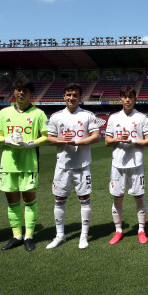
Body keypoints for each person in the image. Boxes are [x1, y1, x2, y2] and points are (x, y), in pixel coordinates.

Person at [0, 78, 48, 252]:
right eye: (18, 89)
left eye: (24, 90)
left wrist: (31, 143)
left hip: (29, 163)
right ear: (14, 92)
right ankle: (16, 236)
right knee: (12, 201)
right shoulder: (3, 113)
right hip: (8, 164)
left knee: (29, 200)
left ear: (30, 93)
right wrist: (7, 139)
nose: (21, 92)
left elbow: (46, 136)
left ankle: (29, 236)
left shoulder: (38, 113)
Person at [46, 83, 101, 250]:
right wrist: (63, 140)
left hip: (82, 164)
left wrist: (75, 142)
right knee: (59, 199)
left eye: (75, 95)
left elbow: (96, 137)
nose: (71, 98)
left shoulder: (88, 115)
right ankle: (60, 235)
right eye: (69, 94)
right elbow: (49, 138)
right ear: (64, 96)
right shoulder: (56, 116)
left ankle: (84, 236)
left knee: (84, 199)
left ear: (80, 97)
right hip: (62, 165)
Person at [105, 86, 148, 245]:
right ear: (120, 99)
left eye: (130, 97)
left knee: (139, 198)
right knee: (118, 198)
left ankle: (141, 230)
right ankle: (118, 231)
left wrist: (132, 141)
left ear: (135, 99)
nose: (127, 100)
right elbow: (107, 141)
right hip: (117, 165)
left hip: (136, 164)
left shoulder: (142, 117)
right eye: (124, 97)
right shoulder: (113, 118)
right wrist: (119, 139)